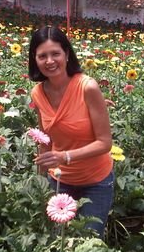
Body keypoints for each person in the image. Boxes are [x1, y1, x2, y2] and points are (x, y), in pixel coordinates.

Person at [29, 26, 114, 239]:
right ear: (35, 59)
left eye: (55, 53)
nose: (49, 61)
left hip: (96, 181)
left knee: (88, 242)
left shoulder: (87, 88)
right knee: (56, 240)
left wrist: (65, 157)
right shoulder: (37, 93)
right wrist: (41, 181)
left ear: (66, 54)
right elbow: (45, 139)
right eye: (42, 56)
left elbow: (105, 143)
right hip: (58, 180)